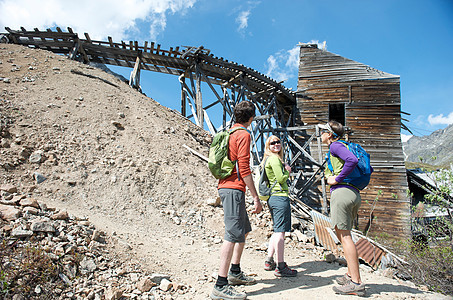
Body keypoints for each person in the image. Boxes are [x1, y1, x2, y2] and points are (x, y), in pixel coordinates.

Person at [210, 101, 263, 300]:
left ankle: (235, 272)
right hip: (233, 188)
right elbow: (244, 168)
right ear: (251, 118)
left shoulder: (230, 132)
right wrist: (255, 197)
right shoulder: (244, 134)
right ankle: (220, 285)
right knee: (232, 234)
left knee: (244, 230)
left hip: (228, 187)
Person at [319, 120, 366, 297]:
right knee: (344, 234)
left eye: (323, 131)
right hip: (353, 193)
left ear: (330, 134)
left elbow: (351, 160)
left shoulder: (335, 146)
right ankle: (349, 275)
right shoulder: (342, 145)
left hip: (342, 192)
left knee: (345, 237)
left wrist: (337, 178)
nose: (320, 135)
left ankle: (356, 283)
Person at [261, 135, 298, 277]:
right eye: (272, 143)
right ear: (268, 146)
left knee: (277, 230)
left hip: (273, 198)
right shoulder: (275, 159)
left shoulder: (269, 159)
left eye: (278, 142)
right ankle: (281, 266)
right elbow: (281, 178)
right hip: (279, 197)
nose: (276, 144)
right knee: (280, 232)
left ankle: (269, 261)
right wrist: (287, 171)